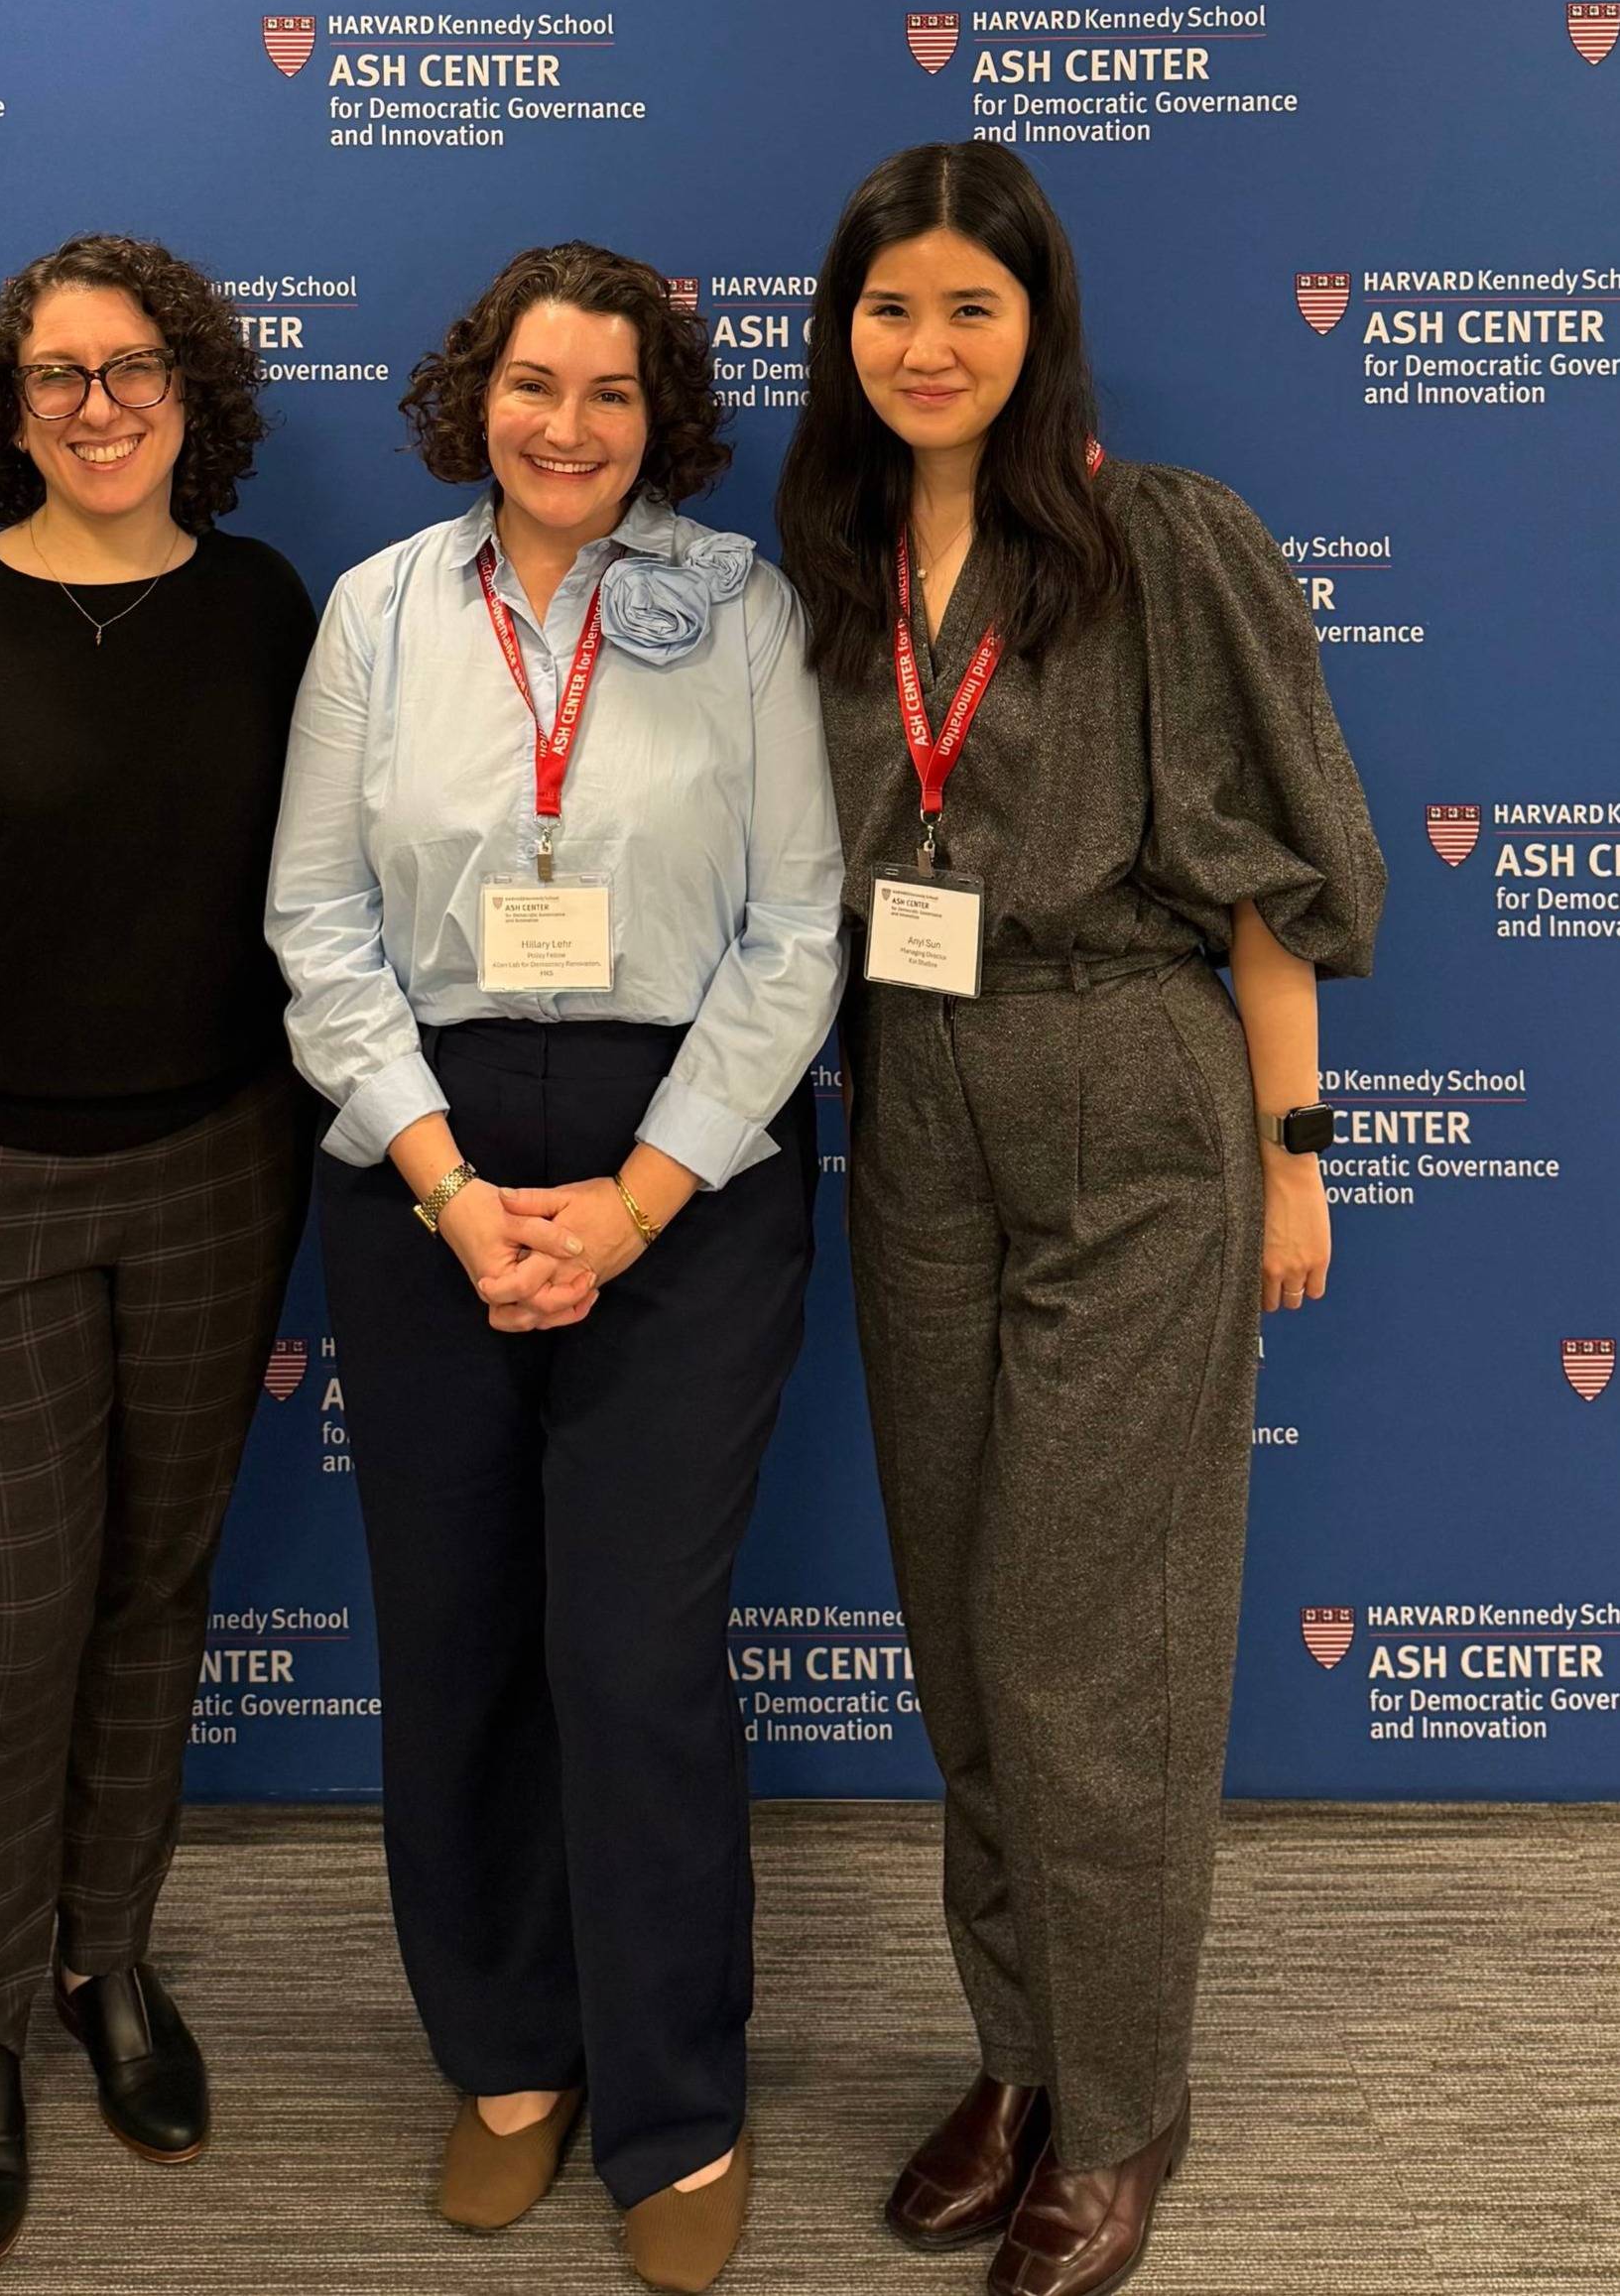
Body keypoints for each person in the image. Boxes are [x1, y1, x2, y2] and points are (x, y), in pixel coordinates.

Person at [776, 146, 1385, 2296]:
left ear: (1039, 325)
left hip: (1127, 1081)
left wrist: (1296, 1144)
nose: (927, 346)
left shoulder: (1159, 542)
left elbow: (1269, 876)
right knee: (962, 1623)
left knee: (1083, 1644)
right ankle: (1019, 2055)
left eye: (972, 305)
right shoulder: (831, 566)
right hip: (913, 1098)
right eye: (889, 309)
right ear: (843, 334)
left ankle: (1123, 2108)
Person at [267, 242, 843, 2293]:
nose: (568, 426)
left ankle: (677, 2097)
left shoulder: (741, 608)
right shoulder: (378, 611)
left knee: (630, 1653)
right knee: (457, 1638)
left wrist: (635, 1199)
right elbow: (317, 924)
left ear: (657, 417)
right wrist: (446, 1187)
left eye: (611, 392)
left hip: (684, 1164)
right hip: (420, 1163)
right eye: (535, 384)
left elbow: (800, 931)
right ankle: (510, 2054)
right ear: (475, 394)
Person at [0, 233, 315, 2271]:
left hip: (218, 1172)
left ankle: (111, 1960)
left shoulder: (267, 612)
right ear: (7, 413)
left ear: (193, 391)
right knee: (3, 1627)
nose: (99, 408)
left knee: (154, 1596)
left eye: (133, 369)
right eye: (57, 377)